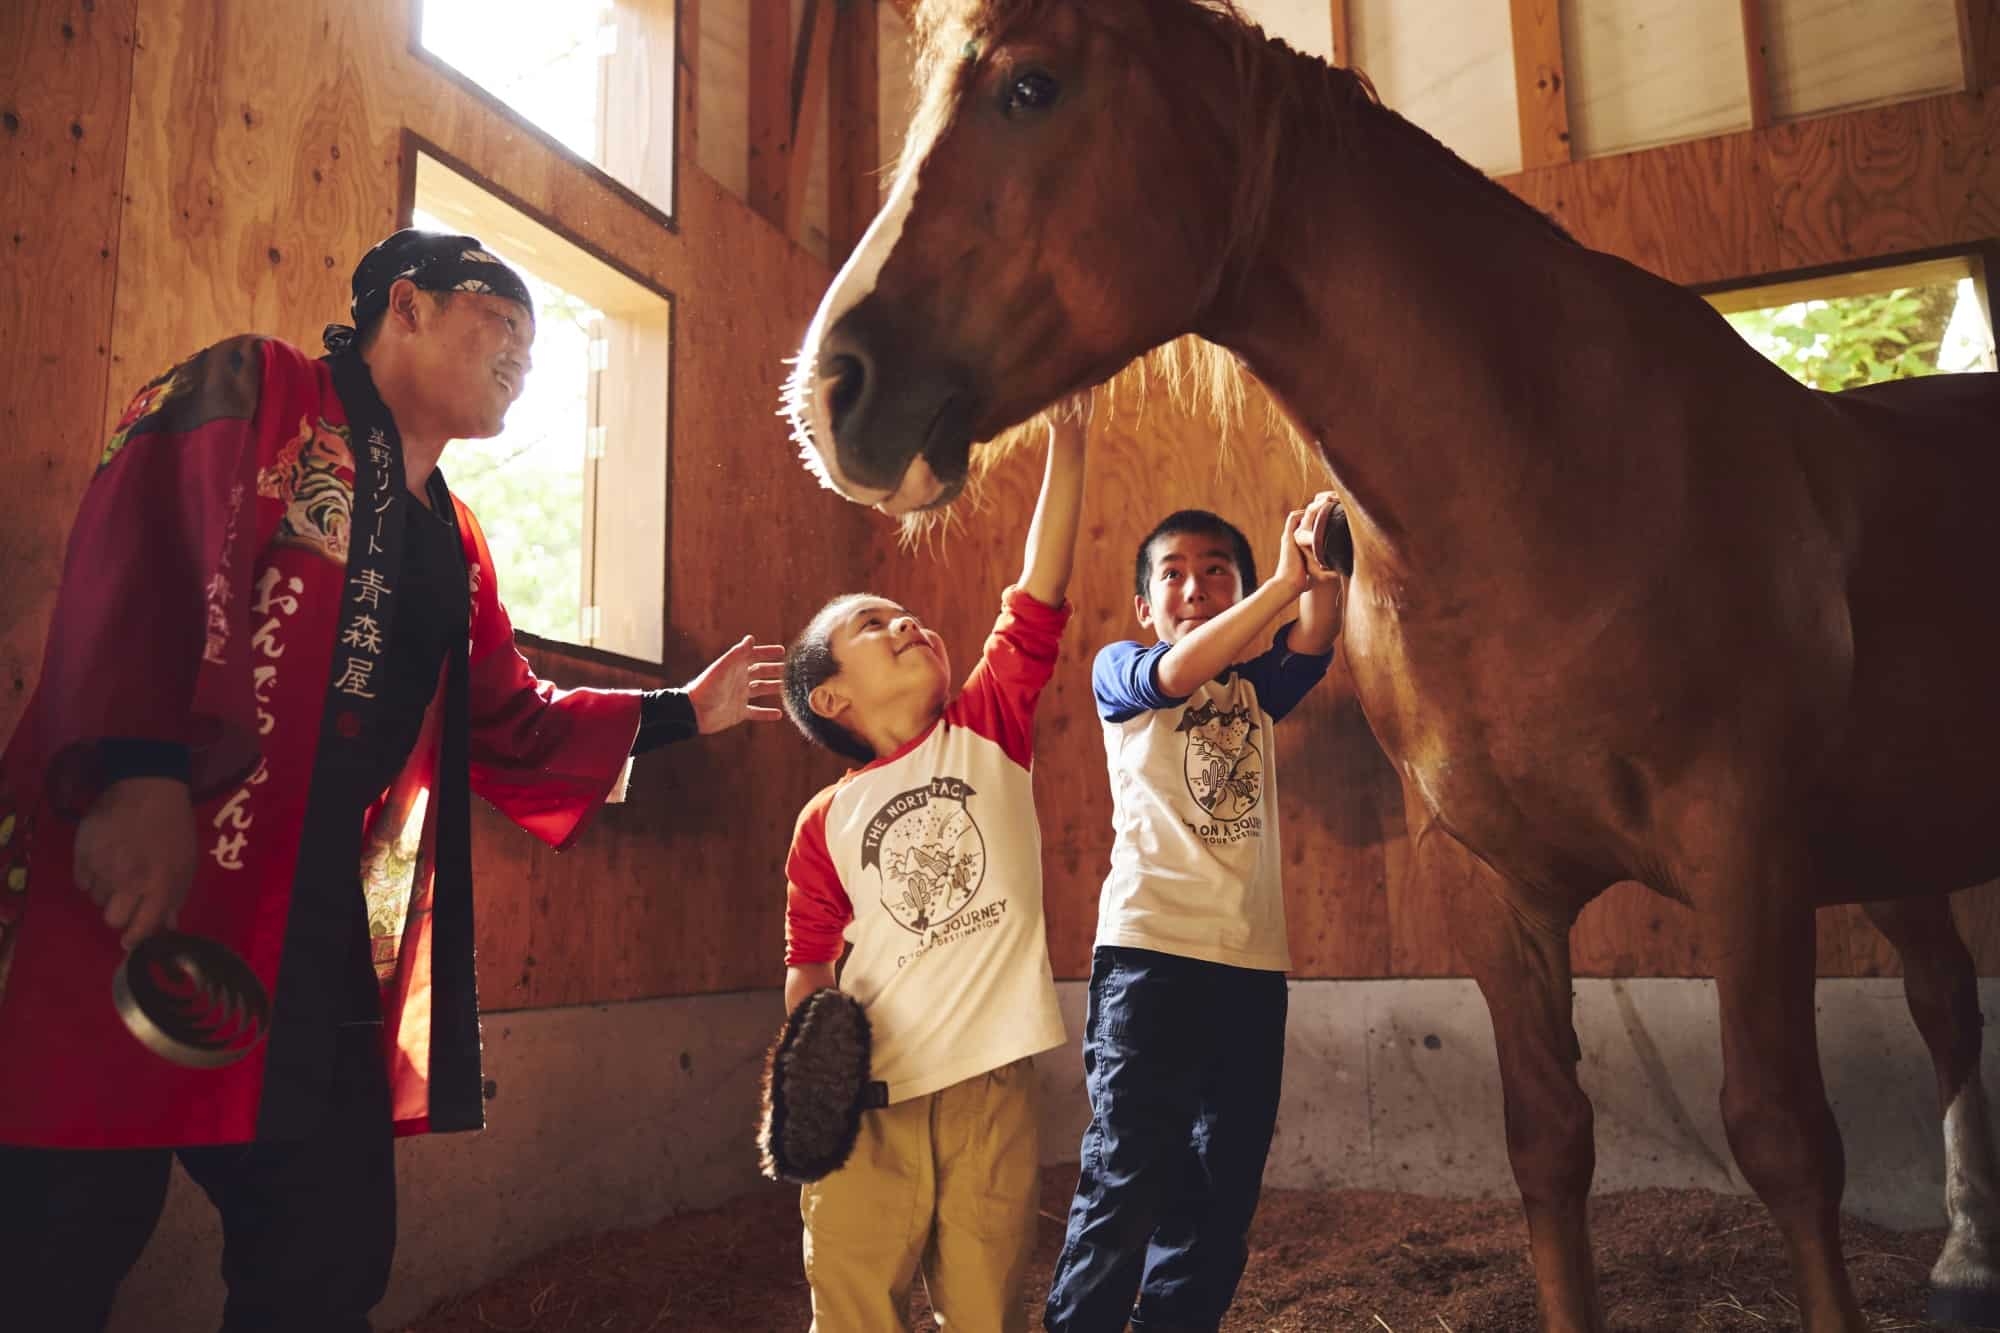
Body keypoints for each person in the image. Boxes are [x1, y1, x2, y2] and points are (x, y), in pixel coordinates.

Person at [0, 228, 784, 1333]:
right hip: (134, 863)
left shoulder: (455, 540)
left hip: (303, 907)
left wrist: (679, 715)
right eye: (500, 321)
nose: (521, 354)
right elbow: (143, 543)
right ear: (403, 306)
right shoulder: (260, 389)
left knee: (327, 1238)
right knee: (62, 1230)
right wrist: (135, 773)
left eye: (532, 343)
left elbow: (510, 718)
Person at [778, 405, 1089, 1332]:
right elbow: (809, 968)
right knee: (855, 1302)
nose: (904, 619)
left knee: (985, 1307)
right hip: (869, 1101)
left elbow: (1037, 589)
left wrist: (1069, 439)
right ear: (832, 696)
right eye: (874, 624)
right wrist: (805, 1093)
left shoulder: (989, 724)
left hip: (993, 1090)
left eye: (903, 612)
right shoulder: (824, 821)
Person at [1043, 498, 1346, 1333]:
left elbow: (1315, 636)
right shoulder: (1122, 670)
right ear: (1145, 606)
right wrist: (1281, 585)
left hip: (1250, 967)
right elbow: (1173, 674)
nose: (1195, 587)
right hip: (1149, 960)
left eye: (1218, 572)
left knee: (1221, 1192)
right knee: (1128, 1176)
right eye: (1172, 574)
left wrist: (1320, 562)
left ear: (1241, 588)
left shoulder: (1252, 692)